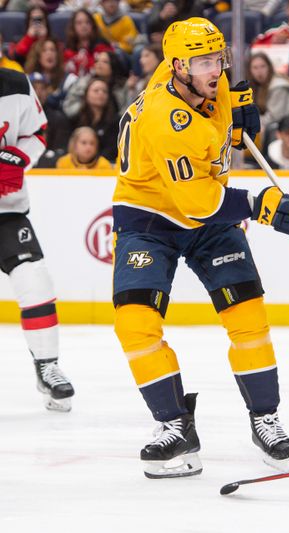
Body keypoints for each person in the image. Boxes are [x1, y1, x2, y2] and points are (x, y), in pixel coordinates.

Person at [111, 17, 289, 479]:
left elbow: (218, 141)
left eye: (218, 58)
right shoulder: (167, 119)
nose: (215, 69)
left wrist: (235, 123)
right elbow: (202, 203)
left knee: (248, 314)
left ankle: (265, 417)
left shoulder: (211, 82)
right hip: (150, 219)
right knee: (135, 323)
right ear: (178, 66)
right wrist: (265, 205)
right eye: (204, 61)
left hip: (206, 213)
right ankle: (174, 427)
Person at [0, 67, 75, 411]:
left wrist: (17, 158)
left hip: (8, 211)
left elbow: (38, 132)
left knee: (35, 280)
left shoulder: (15, 84)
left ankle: (47, 366)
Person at [247, 52, 289, 128]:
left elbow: (274, 117)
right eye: (255, 68)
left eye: (263, 66)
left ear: (269, 67)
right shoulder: (255, 86)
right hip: (278, 127)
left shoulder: (279, 87)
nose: (259, 71)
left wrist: (250, 122)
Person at [71, 77, 120, 162]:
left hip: (106, 166)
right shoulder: (76, 118)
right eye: (96, 90)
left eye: (104, 91)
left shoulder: (116, 121)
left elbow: (113, 149)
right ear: (86, 94)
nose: (100, 93)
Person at [64, 9, 115, 77]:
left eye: (87, 22)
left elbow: (113, 70)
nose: (84, 25)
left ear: (93, 26)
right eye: (79, 23)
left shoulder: (103, 47)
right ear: (73, 27)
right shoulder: (68, 51)